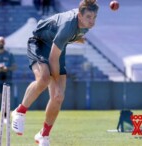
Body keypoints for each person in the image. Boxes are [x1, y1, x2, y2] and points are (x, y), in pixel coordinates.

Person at [11, 0, 99, 145]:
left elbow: (61, 42)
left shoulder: (85, 26)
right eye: (89, 17)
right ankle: (19, 111)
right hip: (39, 43)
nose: (92, 21)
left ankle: (43, 135)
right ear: (79, 15)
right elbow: (53, 58)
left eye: (94, 17)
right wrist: (56, 79)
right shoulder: (68, 26)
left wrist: (78, 39)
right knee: (45, 79)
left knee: (58, 96)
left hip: (56, 48)